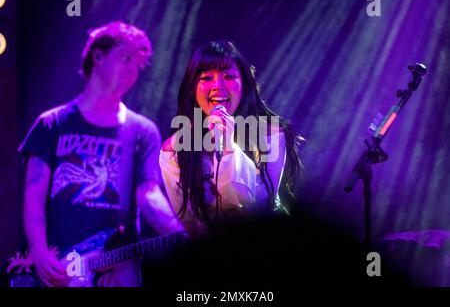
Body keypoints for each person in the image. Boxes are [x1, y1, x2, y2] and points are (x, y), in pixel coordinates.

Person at [18, 21, 183, 287]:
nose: (132, 69)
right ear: (98, 56)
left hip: (115, 269)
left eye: (137, 65)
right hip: (58, 265)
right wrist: (38, 252)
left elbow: (148, 194)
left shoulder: (142, 131)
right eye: (126, 58)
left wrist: (181, 233)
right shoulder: (52, 123)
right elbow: (33, 197)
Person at [160, 40, 302, 237]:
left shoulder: (271, 134)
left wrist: (227, 144)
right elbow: (189, 223)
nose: (218, 86)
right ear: (193, 87)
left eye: (228, 76)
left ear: (244, 84)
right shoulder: (175, 149)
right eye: (207, 78)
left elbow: (254, 207)